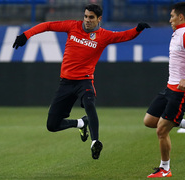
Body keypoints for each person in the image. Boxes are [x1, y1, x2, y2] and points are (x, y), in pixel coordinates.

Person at [13, 4, 150, 159]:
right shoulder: (73, 26)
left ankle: (95, 141)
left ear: (99, 19)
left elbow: (124, 36)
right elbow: (48, 25)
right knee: (52, 125)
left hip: (84, 82)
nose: (87, 20)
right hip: (66, 83)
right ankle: (81, 123)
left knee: (90, 105)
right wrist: (26, 34)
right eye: (85, 16)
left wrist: (137, 29)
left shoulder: (103, 36)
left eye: (91, 17)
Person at [144, 2, 185, 178]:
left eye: (172, 16)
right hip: (169, 88)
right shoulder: (178, 34)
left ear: (181, 17)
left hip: (182, 92)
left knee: (161, 130)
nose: (170, 19)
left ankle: (165, 168)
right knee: (149, 121)